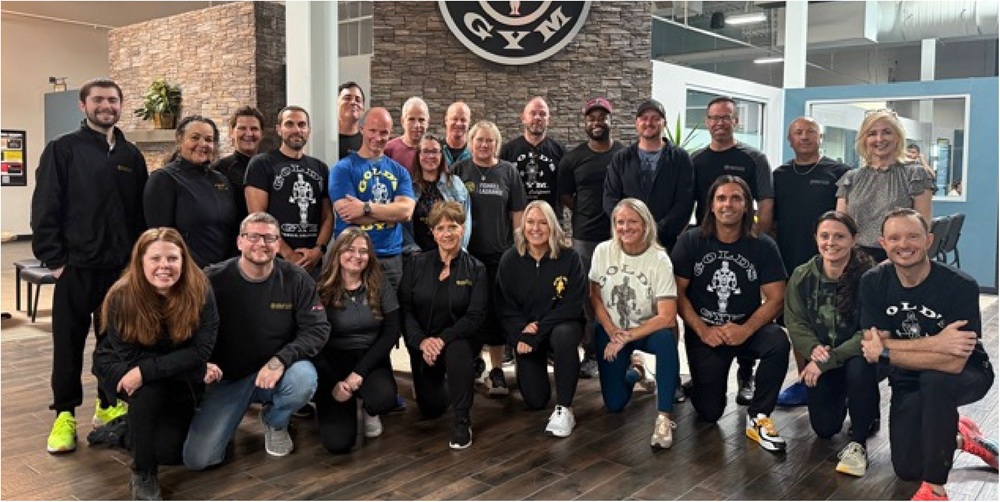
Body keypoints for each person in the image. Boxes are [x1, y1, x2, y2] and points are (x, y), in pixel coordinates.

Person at [32, 77, 148, 454]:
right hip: (75, 268)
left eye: (113, 100)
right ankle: (64, 415)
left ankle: (108, 403)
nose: (106, 106)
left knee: (114, 343)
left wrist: (136, 265)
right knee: (68, 344)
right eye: (98, 100)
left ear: (120, 105)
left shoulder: (131, 156)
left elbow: (139, 215)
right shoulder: (62, 149)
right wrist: (55, 261)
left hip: (119, 272)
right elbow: (45, 206)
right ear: (83, 105)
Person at [859, 208, 997, 500]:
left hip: (969, 372)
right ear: (883, 243)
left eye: (913, 236)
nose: (903, 244)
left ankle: (935, 488)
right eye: (894, 238)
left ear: (929, 240)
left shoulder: (960, 285)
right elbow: (874, 345)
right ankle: (960, 437)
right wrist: (938, 341)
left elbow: (954, 361)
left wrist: (887, 352)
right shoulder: (874, 281)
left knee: (936, 380)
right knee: (907, 469)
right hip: (907, 378)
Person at [183, 212, 329, 470]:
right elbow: (186, 327)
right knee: (199, 459)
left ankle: (275, 420)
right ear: (239, 241)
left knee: (304, 379)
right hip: (228, 378)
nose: (261, 243)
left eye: (269, 238)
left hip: (276, 372)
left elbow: (317, 328)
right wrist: (200, 364)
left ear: (278, 243)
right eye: (253, 237)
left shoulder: (296, 278)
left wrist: (280, 360)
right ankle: (222, 419)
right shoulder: (211, 279)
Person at [92, 228, 218, 500]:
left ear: (183, 260)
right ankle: (143, 474)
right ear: (141, 261)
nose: (164, 266)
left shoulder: (201, 290)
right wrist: (194, 371)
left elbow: (201, 350)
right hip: (123, 364)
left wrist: (189, 368)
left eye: (172, 258)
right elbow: (131, 359)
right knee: (149, 392)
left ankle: (125, 429)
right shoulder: (121, 296)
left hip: (169, 366)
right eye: (155, 258)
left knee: (171, 452)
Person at [671, 176, 789, 452]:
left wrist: (745, 329)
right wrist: (703, 330)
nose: (728, 204)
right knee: (709, 412)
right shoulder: (691, 241)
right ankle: (702, 382)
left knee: (778, 341)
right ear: (711, 205)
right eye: (721, 198)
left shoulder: (762, 245)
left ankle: (758, 415)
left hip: (746, 329)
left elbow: (776, 298)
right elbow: (676, 294)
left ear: (747, 206)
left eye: (736, 198)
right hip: (706, 332)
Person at [691, 96, 776, 406]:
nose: (720, 123)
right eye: (714, 117)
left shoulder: (753, 158)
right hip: (706, 245)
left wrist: (754, 242)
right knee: (704, 302)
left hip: (744, 246)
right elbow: (689, 203)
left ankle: (746, 373)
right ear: (707, 121)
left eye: (726, 117)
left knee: (745, 304)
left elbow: (765, 203)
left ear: (736, 121)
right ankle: (701, 373)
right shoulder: (696, 160)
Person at [784, 211, 878, 476]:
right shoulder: (802, 275)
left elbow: (869, 331)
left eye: (839, 236)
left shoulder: (870, 277)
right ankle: (850, 398)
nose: (831, 243)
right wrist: (812, 347)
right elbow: (795, 320)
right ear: (815, 238)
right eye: (824, 236)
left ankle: (859, 439)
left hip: (858, 356)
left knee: (859, 369)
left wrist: (827, 359)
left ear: (854, 239)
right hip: (822, 357)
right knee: (825, 429)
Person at [590, 198, 680, 449]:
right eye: (620, 222)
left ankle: (664, 417)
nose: (625, 227)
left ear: (645, 225)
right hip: (612, 329)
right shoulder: (603, 251)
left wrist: (627, 337)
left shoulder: (659, 260)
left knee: (666, 338)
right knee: (615, 404)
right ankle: (636, 372)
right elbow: (595, 296)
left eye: (632, 222)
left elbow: (667, 316)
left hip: (646, 330)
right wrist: (612, 331)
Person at [772, 117, 850, 407]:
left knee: (834, 320)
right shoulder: (779, 174)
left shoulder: (839, 173)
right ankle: (805, 379)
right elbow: (771, 220)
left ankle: (840, 379)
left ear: (821, 137)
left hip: (830, 261)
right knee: (797, 323)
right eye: (798, 132)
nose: (804, 137)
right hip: (789, 259)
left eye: (810, 132)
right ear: (789, 140)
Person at [399, 201, 487, 449]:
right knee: (431, 408)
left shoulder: (476, 269)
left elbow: (475, 316)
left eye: (453, 226)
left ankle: (462, 419)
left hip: (457, 339)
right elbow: (405, 309)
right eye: (440, 228)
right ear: (433, 233)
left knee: (458, 350)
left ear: (463, 228)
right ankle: (454, 383)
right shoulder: (416, 264)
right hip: (424, 344)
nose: (447, 233)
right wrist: (421, 342)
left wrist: (442, 340)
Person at [496, 200, 586, 437]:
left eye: (543, 223)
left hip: (559, 326)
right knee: (535, 401)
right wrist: (521, 333)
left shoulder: (569, 258)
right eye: (530, 222)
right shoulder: (510, 260)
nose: (536, 228)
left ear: (553, 226)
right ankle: (527, 365)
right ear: (523, 226)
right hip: (527, 332)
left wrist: (537, 331)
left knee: (564, 335)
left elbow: (572, 306)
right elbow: (505, 307)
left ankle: (564, 409)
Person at [451, 120, 527, 396]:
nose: (484, 145)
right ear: (471, 143)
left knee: (495, 313)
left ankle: (496, 370)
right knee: (467, 312)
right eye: (479, 140)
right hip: (466, 257)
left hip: (499, 256)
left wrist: (518, 249)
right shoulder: (459, 170)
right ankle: (473, 364)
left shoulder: (508, 172)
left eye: (489, 141)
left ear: (497, 144)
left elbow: (518, 213)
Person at [312, 228, 400, 453]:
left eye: (363, 251)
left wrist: (359, 373)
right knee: (338, 444)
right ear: (337, 252)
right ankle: (346, 406)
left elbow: (392, 331)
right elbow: (312, 338)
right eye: (350, 250)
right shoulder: (319, 286)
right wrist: (334, 382)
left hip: (370, 359)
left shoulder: (379, 282)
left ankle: (369, 409)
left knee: (383, 400)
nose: (357, 256)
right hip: (332, 363)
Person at [558, 97, 626, 379]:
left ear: (611, 120)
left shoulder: (623, 155)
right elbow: (565, 194)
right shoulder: (572, 158)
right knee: (588, 296)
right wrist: (584, 213)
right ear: (585, 123)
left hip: (619, 238)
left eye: (602, 117)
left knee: (619, 294)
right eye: (591, 118)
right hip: (584, 237)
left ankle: (623, 350)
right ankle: (591, 353)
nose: (597, 122)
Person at [330, 107, 416, 290]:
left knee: (392, 308)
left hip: (391, 258)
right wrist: (391, 213)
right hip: (353, 257)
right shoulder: (343, 169)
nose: (378, 137)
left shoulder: (399, 171)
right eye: (373, 131)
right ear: (362, 129)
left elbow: (406, 212)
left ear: (390, 133)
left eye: (384, 132)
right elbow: (348, 214)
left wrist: (365, 208)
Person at [836, 109, 935, 263]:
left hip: (900, 259)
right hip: (856, 261)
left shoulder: (915, 175)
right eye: (872, 134)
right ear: (864, 139)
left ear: (897, 137)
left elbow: (922, 227)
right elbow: (840, 227)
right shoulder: (851, 178)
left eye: (887, 132)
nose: (879, 139)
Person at [245, 106, 333, 278]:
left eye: (302, 125)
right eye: (289, 124)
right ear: (279, 129)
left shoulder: (320, 168)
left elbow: (328, 216)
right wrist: (288, 254)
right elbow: (258, 217)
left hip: (312, 264)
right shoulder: (261, 164)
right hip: (273, 262)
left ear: (308, 130)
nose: (297, 130)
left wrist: (318, 250)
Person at [144, 115, 238, 268]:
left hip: (224, 270)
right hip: (186, 271)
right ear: (179, 140)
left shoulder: (221, 179)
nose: (203, 144)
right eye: (195, 138)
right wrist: (199, 269)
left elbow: (230, 229)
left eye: (208, 139)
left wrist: (227, 267)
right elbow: (162, 238)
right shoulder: (163, 179)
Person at [603, 98, 694, 252]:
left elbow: (684, 202)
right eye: (644, 118)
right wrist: (629, 227)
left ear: (665, 124)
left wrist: (655, 231)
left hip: (666, 243)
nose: (649, 122)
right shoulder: (621, 158)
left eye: (655, 118)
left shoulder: (681, 159)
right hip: (627, 241)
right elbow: (610, 198)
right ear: (636, 123)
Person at [500, 96, 565, 219]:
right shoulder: (506, 152)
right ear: (523, 118)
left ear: (549, 120)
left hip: (550, 222)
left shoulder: (560, 152)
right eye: (533, 113)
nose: (537, 117)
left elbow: (567, 190)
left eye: (542, 114)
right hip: (516, 221)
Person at [407, 134, 471, 252]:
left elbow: (466, 220)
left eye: (435, 151)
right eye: (425, 151)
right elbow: (403, 224)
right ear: (418, 155)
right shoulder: (408, 185)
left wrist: (458, 250)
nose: (431, 156)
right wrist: (412, 251)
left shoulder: (454, 184)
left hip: (449, 252)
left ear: (442, 155)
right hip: (418, 254)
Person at [212, 106, 265, 222]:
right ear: (231, 133)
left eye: (254, 129)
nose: (249, 133)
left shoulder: (270, 167)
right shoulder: (219, 169)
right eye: (242, 128)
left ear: (262, 134)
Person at [384, 96, 429, 177]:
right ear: (402, 121)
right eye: (411, 119)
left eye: (421, 120)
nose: (417, 125)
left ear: (428, 122)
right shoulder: (388, 150)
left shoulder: (434, 151)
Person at [337, 82, 365, 159]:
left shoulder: (367, 142)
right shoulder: (325, 140)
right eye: (347, 98)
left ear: (363, 108)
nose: (353, 102)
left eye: (358, 100)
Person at [442, 101, 472, 167]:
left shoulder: (474, 153)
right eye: (454, 119)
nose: (458, 123)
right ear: (446, 120)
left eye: (463, 120)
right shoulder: (437, 149)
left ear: (469, 122)